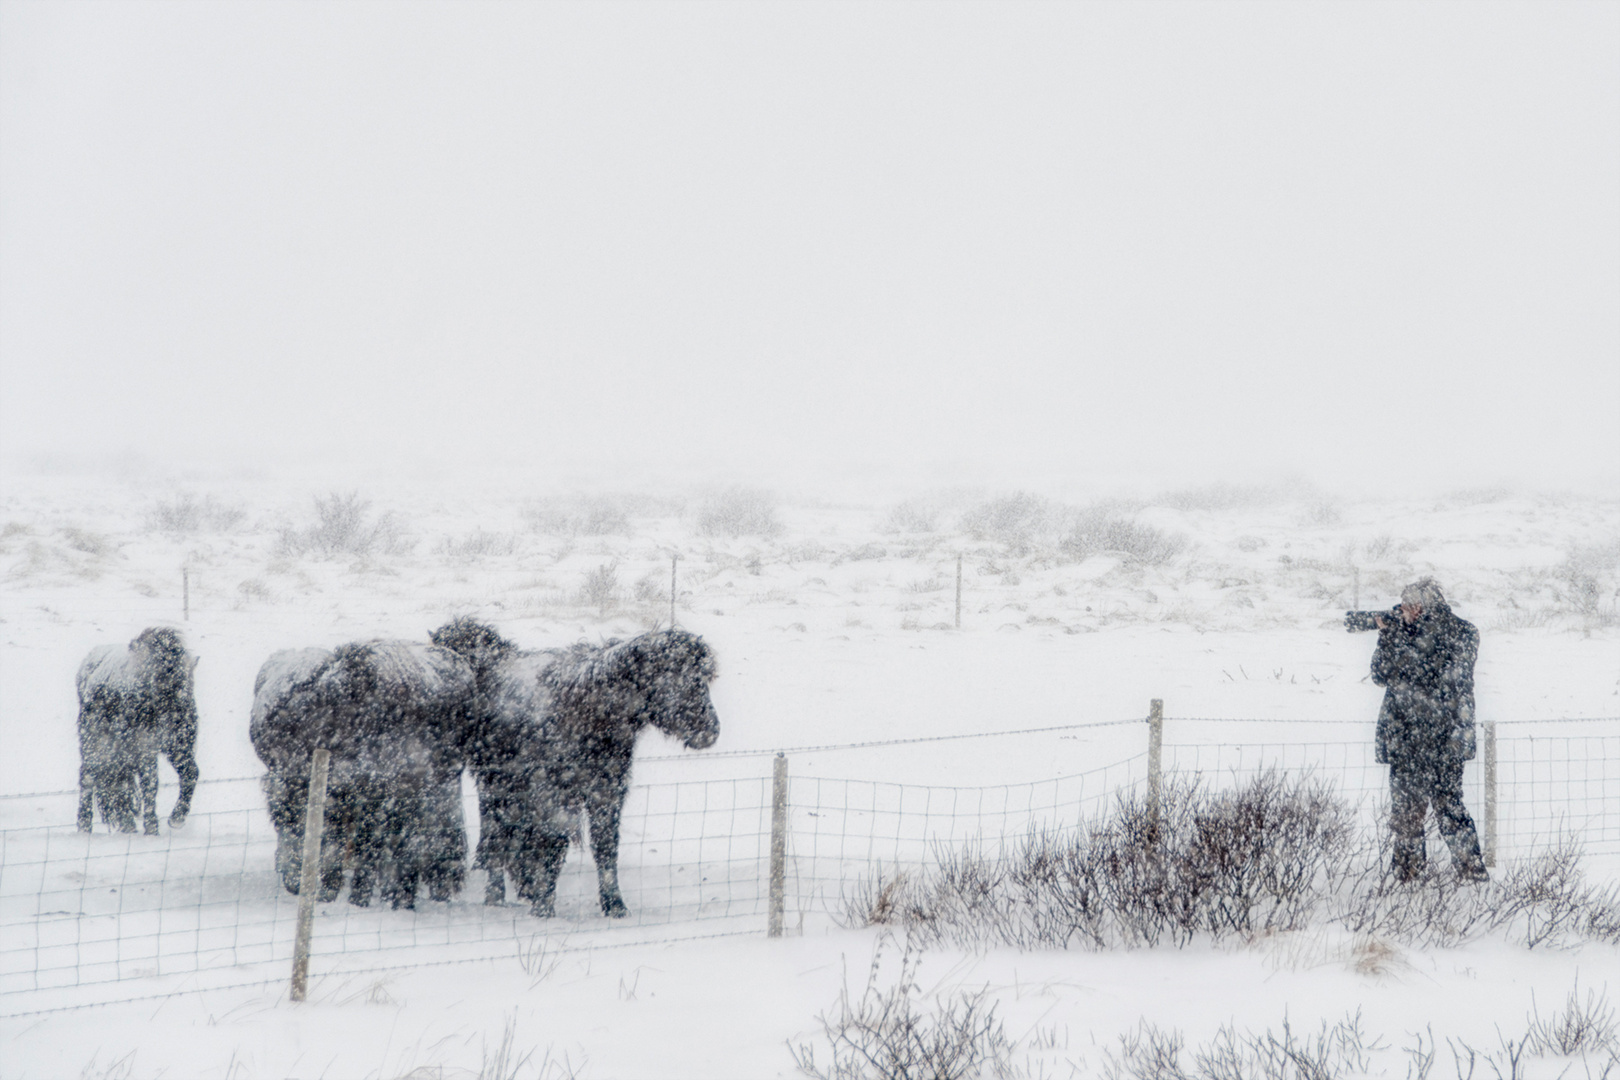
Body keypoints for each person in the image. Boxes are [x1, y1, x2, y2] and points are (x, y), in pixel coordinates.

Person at [1370, 577, 1488, 882]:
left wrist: (1400, 634)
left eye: (1411, 604)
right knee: (1407, 814)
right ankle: (1408, 875)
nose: (1405, 610)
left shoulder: (1461, 632)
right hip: (1406, 739)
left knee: (1449, 809)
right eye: (1404, 604)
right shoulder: (1401, 632)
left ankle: (1471, 873)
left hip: (1442, 740)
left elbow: (1432, 674)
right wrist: (1388, 634)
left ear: (1427, 604)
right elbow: (1381, 675)